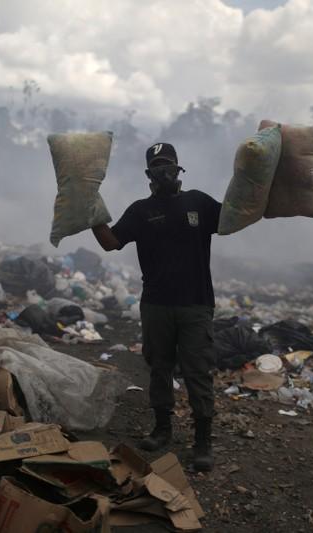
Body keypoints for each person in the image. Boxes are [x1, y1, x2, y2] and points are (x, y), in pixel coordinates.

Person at [92, 142, 221, 471]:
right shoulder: (140, 211)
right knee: (160, 368)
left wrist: (260, 192)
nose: (165, 172)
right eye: (158, 167)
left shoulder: (199, 203)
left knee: (197, 372)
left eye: (169, 165)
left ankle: (203, 440)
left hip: (195, 305)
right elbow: (111, 242)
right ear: (149, 174)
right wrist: (88, 210)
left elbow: (234, 219)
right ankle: (162, 429)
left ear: (179, 169)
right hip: (157, 306)